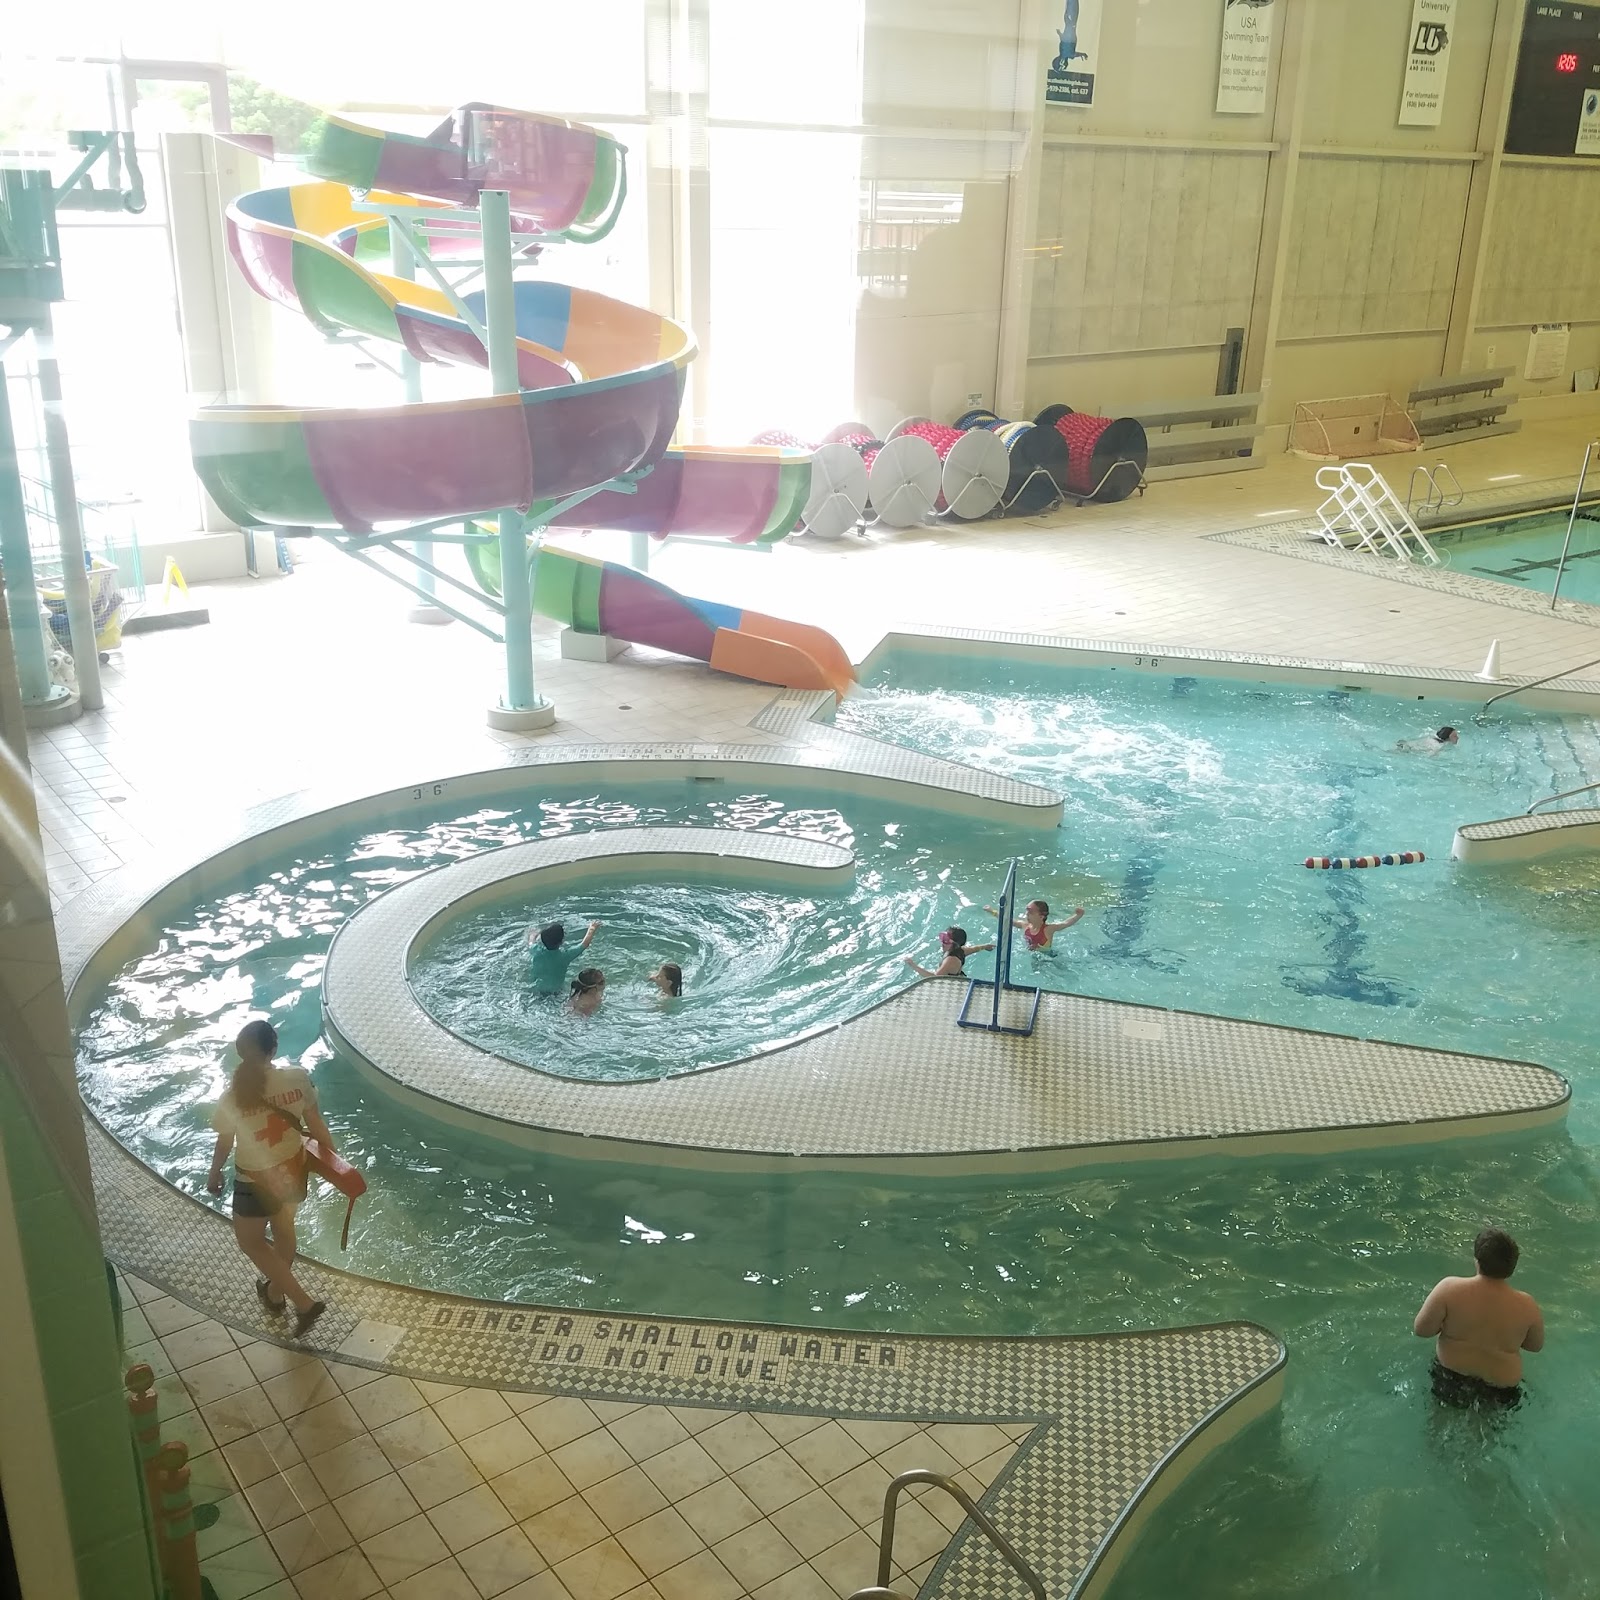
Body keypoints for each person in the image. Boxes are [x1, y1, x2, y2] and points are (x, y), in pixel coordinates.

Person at [205, 1020, 331, 1339]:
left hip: (254, 1180)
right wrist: (331, 1160)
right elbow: (316, 1123)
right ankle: (275, 1295)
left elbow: (225, 1141)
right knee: (284, 1235)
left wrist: (215, 1170)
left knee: (251, 1242)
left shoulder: (233, 1095)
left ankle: (303, 1303)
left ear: (240, 1053)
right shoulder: (297, 1078)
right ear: (273, 1049)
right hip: (291, 1172)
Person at [1412, 1227, 1543, 1409]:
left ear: (1477, 1261)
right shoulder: (1527, 1305)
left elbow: (1422, 1330)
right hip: (1502, 1388)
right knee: (1488, 1433)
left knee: (1439, 1424)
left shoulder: (1450, 1288)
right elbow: (1535, 1346)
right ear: (1512, 1267)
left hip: (1452, 1376)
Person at [526, 919, 600, 995]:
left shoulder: (536, 951)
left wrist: (533, 934)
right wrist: (592, 928)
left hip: (536, 990)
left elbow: (531, 942)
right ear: (562, 941)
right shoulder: (565, 956)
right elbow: (584, 944)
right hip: (556, 991)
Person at [986, 898, 1085, 953]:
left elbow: (1065, 923)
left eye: (1030, 912)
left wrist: (1078, 915)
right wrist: (992, 911)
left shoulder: (1048, 930)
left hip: (1048, 958)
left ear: (1041, 916)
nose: (1026, 914)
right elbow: (1007, 920)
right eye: (1027, 911)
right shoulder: (1024, 926)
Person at [903, 925, 993, 979]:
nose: (942, 943)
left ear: (955, 944)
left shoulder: (950, 960)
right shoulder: (962, 950)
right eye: (942, 939)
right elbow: (975, 948)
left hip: (951, 986)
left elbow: (933, 978)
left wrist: (913, 965)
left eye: (946, 940)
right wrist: (985, 946)